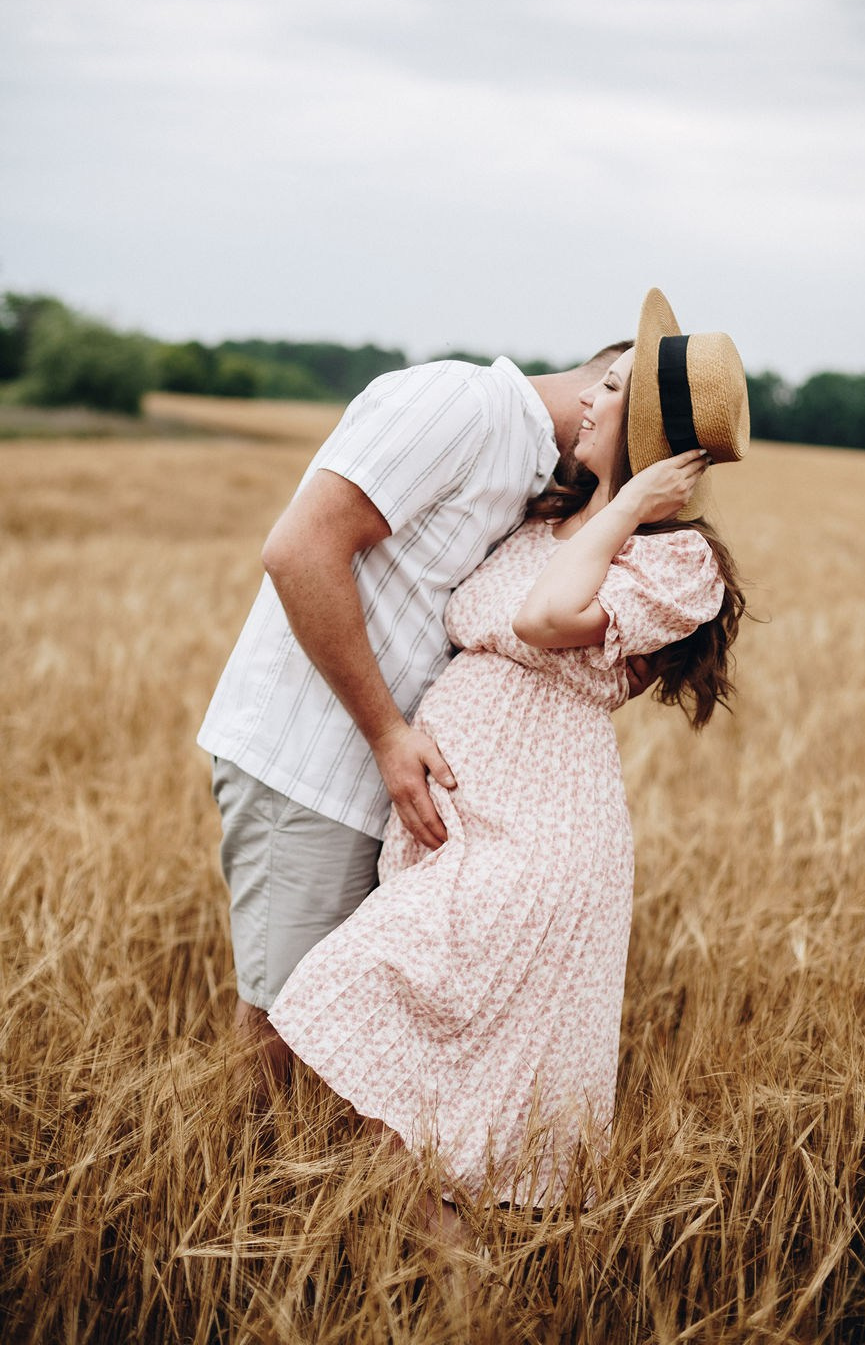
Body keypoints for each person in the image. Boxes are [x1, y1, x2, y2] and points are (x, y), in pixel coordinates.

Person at [267, 288, 750, 1227]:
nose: (588, 402)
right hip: (457, 827)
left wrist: (632, 507)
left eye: (611, 392)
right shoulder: (535, 529)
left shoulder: (678, 564)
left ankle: (452, 1282)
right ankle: (454, 1290)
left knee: (352, 1000)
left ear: (649, 437)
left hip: (539, 842)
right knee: (418, 1105)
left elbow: (544, 619)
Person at [198, 327, 646, 1073]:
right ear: (608, 390)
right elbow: (299, 549)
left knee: (343, 1039)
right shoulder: (459, 407)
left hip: (383, 782)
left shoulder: (540, 481)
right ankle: (239, 1179)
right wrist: (386, 735)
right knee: (286, 1027)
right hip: (314, 765)